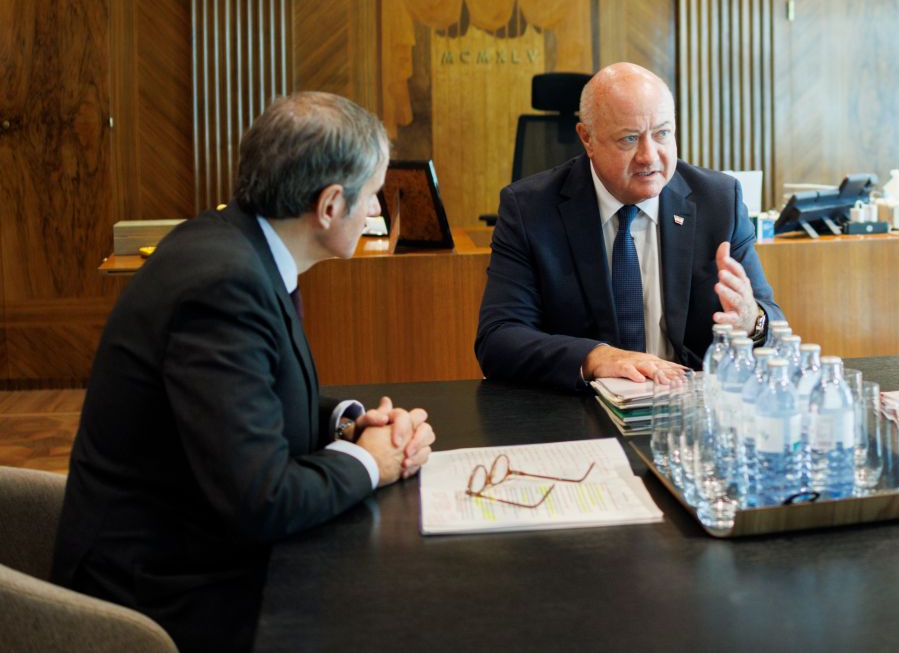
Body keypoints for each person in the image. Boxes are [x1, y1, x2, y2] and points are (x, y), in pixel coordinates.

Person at [52, 93, 436, 652]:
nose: (376, 211)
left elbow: (249, 394)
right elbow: (264, 500)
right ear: (330, 205)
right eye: (373, 195)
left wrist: (350, 423)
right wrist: (370, 463)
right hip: (162, 592)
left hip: (194, 546)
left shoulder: (235, 244)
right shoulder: (224, 284)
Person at [475, 62, 784, 391]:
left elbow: (774, 327)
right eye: (629, 139)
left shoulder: (717, 201)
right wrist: (596, 358)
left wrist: (753, 320)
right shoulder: (530, 209)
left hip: (688, 407)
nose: (649, 156)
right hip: (582, 416)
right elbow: (499, 339)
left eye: (662, 134)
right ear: (587, 139)